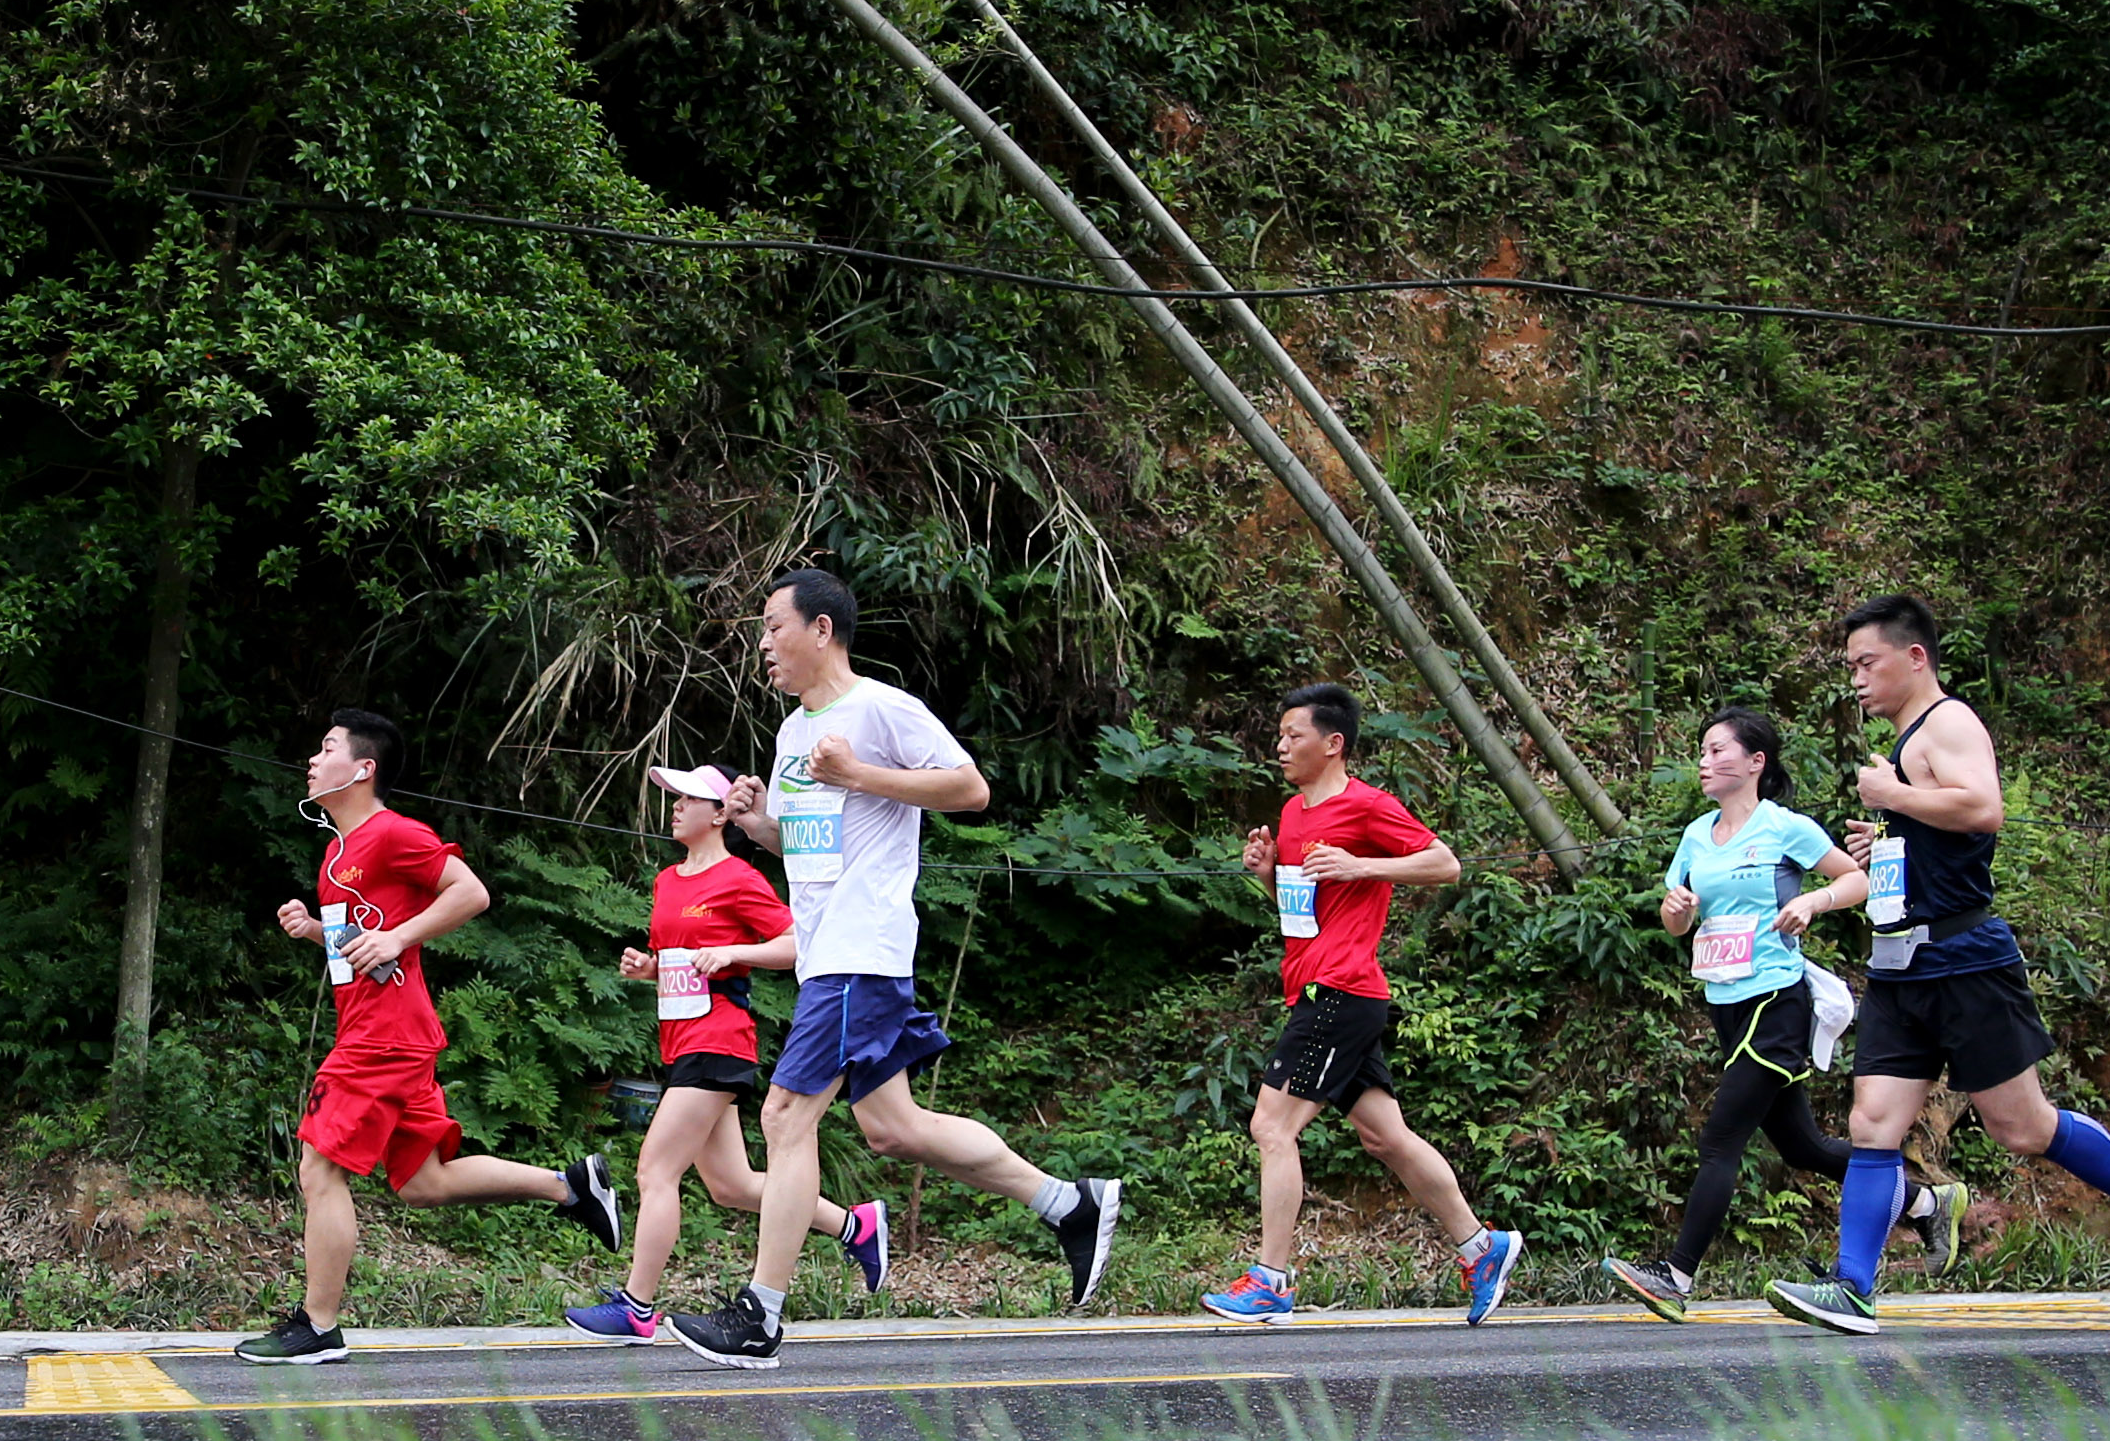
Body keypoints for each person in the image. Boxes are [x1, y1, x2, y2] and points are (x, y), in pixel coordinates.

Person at [670, 569, 1125, 1372]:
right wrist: (756, 823)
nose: (764, 643)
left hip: (862, 950)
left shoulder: (881, 709)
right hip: (827, 956)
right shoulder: (792, 733)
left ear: (821, 631)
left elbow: (970, 788)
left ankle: (760, 1314)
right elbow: (807, 845)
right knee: (894, 1128)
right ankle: (1068, 1204)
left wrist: (861, 774)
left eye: (774, 627)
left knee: (785, 1116)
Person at [1766, 595, 2110, 1337]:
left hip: (1964, 959)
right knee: (1872, 1123)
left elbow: (1983, 808)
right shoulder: (1906, 740)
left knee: (2022, 1126)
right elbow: (1941, 838)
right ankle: (1852, 1287)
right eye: (1850, 667)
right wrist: (1887, 841)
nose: (1857, 680)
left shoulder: (1949, 722)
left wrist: (1892, 795)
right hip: (1900, 965)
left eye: (1867, 663)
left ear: (1915, 658)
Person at [238, 710, 622, 1366]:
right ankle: (571, 1187)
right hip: (391, 1030)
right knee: (424, 1182)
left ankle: (318, 1325)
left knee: (318, 1168)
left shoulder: (393, 833)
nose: (313, 760)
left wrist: (400, 935)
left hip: (382, 1039)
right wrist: (315, 931)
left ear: (363, 769)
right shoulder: (336, 854)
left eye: (326, 748)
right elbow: (361, 946)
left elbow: (470, 893)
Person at [1600, 704, 1952, 1318]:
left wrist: (1814, 902)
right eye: (1702, 752)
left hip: (1777, 1002)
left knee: (1720, 1139)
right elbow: (1676, 920)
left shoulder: (1784, 827)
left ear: (1755, 762)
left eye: (1718, 751)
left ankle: (1676, 1278)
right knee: (1802, 1148)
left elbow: (1856, 881)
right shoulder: (1695, 835)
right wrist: (1677, 913)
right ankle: (1926, 1204)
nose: (1705, 762)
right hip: (1725, 1006)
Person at [1198, 685, 1525, 1324]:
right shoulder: (1292, 814)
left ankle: (1270, 1281)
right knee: (1384, 1136)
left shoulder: (1367, 805)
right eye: (1280, 735)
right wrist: (1268, 877)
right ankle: (1482, 1248)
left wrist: (1362, 865)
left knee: (1272, 1127)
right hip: (1323, 987)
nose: (1280, 746)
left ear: (1333, 743)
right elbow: (1303, 916)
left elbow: (1445, 864)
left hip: (1339, 992)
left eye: (1293, 735)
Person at [564, 764, 892, 1341]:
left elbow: (799, 943)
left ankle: (637, 1307)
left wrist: (735, 951)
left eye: (689, 798)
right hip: (680, 1042)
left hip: (719, 1041)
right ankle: (854, 1226)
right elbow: (682, 962)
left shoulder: (739, 878)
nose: (675, 806)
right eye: (674, 798)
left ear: (720, 814)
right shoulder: (668, 880)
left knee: (655, 1169)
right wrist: (648, 969)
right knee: (732, 1186)